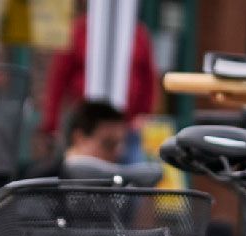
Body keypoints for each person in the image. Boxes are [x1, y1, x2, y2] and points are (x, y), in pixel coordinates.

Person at [39, 0, 158, 152]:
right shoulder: (78, 32)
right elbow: (58, 81)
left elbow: (149, 80)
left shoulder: (138, 35)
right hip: (86, 128)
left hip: (127, 129)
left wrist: (144, 115)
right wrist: (51, 124)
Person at [56, 101, 158, 185]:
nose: (119, 152)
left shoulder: (120, 189)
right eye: (108, 144)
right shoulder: (49, 185)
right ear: (79, 139)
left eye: (121, 144)